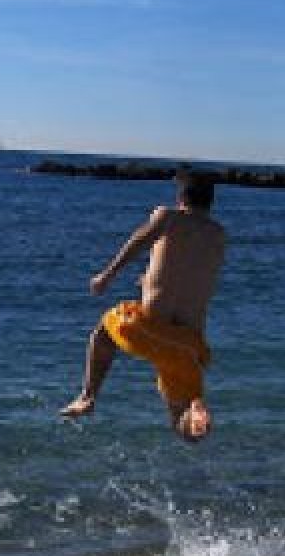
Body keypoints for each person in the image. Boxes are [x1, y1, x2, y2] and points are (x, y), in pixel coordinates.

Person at [60, 169, 226, 442]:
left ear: (180, 197)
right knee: (182, 429)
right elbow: (191, 276)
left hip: (150, 330)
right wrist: (149, 280)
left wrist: (107, 275)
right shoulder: (218, 235)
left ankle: (87, 398)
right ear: (210, 201)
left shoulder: (168, 217)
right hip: (190, 347)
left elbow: (138, 241)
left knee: (104, 332)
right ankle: (195, 410)